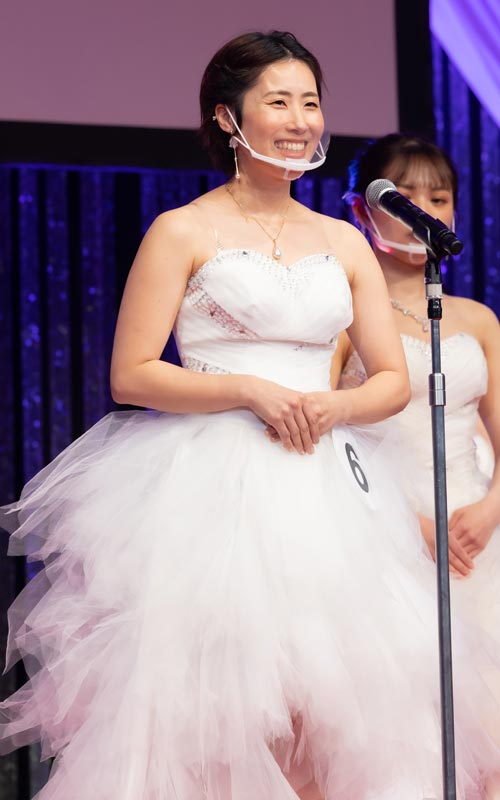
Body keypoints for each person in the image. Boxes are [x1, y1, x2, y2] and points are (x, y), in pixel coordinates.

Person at [0, 34, 499, 800]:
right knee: (223, 714)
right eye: (279, 101)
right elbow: (133, 374)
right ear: (227, 118)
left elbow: (392, 381)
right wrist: (247, 390)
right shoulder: (182, 230)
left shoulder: (343, 241)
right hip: (214, 483)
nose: (300, 120)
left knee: (337, 710)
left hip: (331, 491)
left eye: (311, 102)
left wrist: (335, 404)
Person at [333, 132, 500, 795]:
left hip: (477, 538)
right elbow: (328, 439)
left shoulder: (478, 320)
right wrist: (408, 526)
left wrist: (490, 509)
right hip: (380, 535)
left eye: (440, 197)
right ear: (360, 208)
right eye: (404, 197)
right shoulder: (341, 317)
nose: (424, 211)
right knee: (398, 739)